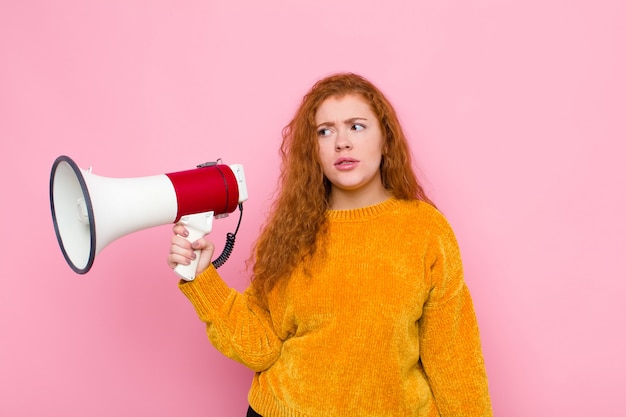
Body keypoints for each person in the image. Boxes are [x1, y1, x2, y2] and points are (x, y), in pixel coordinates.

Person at [167, 73, 493, 417]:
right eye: (325, 131)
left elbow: (455, 359)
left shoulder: (426, 229)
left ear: (385, 139)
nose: (341, 142)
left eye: (357, 126)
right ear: (314, 150)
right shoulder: (293, 231)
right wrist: (203, 277)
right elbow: (260, 348)